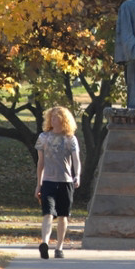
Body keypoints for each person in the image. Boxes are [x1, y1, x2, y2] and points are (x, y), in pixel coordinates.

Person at [34, 106, 81, 259]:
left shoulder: (70, 139)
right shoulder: (43, 137)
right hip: (48, 181)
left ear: (64, 120)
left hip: (65, 182)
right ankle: (45, 243)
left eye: (57, 117)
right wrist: (38, 184)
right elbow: (40, 163)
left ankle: (59, 247)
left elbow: (76, 160)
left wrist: (77, 175)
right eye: (52, 117)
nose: (53, 120)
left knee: (63, 215)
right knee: (48, 213)